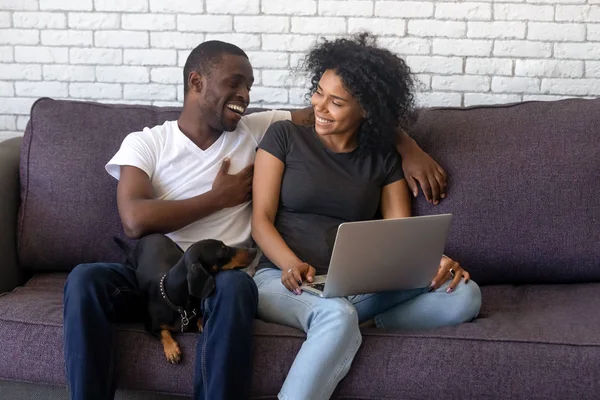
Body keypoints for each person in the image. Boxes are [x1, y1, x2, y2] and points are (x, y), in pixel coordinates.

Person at [63, 39, 451, 400]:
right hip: (158, 278)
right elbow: (133, 220)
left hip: (220, 280)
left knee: (236, 289)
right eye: (235, 84)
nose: (245, 97)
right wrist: (218, 198)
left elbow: (354, 111)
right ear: (196, 82)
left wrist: (408, 146)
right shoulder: (146, 142)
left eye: (249, 86)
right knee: (85, 278)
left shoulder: (260, 128)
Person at [251, 33, 483, 400]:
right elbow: (260, 220)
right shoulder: (284, 137)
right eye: (318, 92)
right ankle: (343, 328)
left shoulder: (383, 158)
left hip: (354, 288)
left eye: (336, 102)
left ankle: (366, 323)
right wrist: (290, 263)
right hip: (281, 279)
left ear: (367, 110)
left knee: (465, 295)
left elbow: (399, 235)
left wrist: (434, 263)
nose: (319, 107)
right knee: (336, 315)